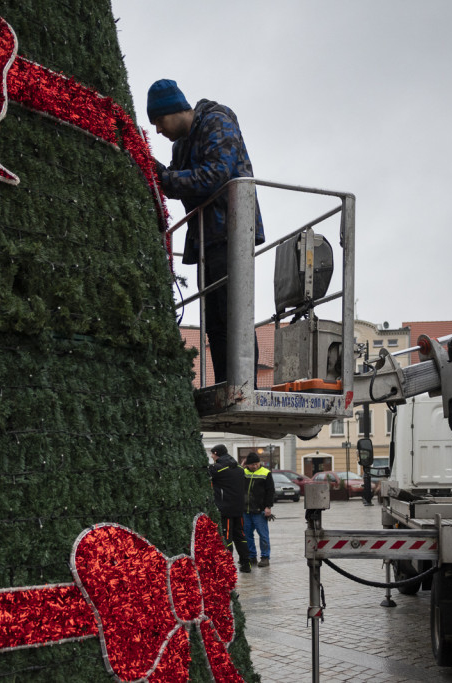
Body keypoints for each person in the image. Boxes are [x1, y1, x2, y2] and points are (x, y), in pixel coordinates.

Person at [147, 79, 264, 383]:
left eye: (159, 120)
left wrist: (163, 176)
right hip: (206, 236)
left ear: (174, 110)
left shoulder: (216, 122)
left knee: (233, 311)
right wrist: (164, 176)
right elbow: (179, 183)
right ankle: (228, 382)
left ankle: (242, 383)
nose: (158, 129)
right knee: (214, 320)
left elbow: (215, 176)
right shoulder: (181, 144)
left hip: (232, 230)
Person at [208, 444, 250, 573]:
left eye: (212, 454)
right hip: (239, 508)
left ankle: (227, 566)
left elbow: (205, 474)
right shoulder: (239, 468)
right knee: (240, 535)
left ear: (216, 453)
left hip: (225, 508)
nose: (211, 456)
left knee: (227, 538)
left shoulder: (218, 468)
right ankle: (245, 563)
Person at [242, 453, 275, 567]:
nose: (254, 466)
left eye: (256, 464)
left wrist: (268, 507)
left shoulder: (266, 473)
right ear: (247, 465)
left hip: (259, 510)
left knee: (263, 535)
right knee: (247, 535)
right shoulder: (243, 472)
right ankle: (252, 557)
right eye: (252, 464)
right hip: (246, 510)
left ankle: (265, 557)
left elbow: (270, 491)